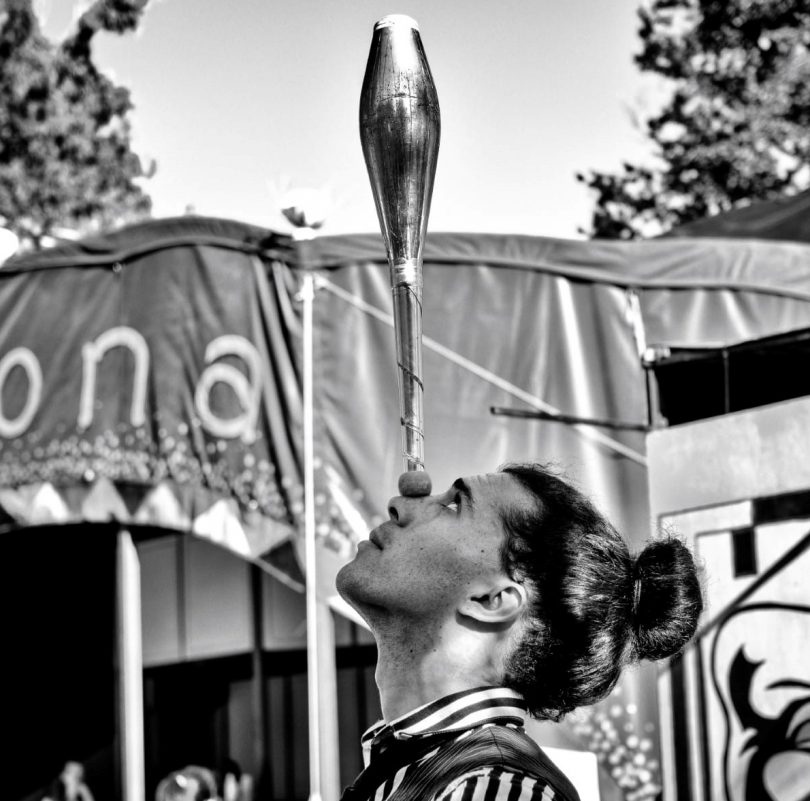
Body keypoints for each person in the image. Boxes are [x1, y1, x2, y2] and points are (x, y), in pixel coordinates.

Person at [336, 462, 703, 801]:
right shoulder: (425, 770)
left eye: (454, 505)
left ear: (492, 599)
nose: (402, 500)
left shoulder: (495, 788)